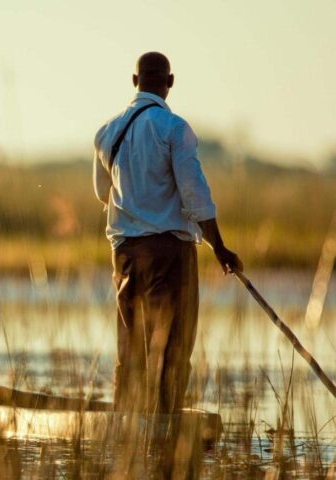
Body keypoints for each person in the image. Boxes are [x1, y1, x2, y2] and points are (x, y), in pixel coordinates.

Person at [93, 52, 243, 414]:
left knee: (132, 343)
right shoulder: (175, 128)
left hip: (125, 255)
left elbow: (103, 193)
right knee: (173, 343)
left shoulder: (107, 132)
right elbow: (195, 196)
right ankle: (164, 424)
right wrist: (220, 247)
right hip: (169, 254)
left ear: (134, 81)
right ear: (170, 82)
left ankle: (129, 422)